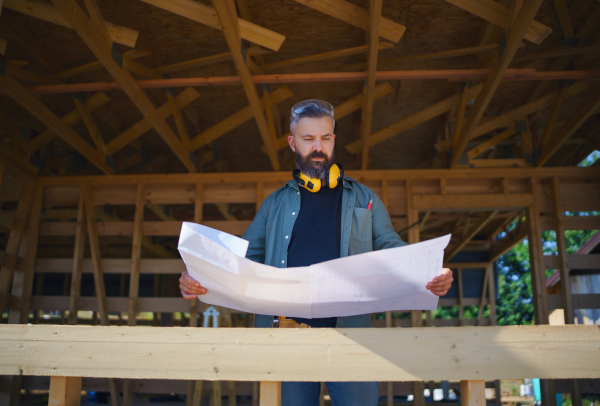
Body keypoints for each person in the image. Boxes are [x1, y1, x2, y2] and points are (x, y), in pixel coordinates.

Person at [179, 99, 453, 406]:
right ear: (293, 143)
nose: (318, 147)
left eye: (325, 138)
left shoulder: (365, 198)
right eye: (309, 139)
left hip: (352, 337)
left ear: (334, 139)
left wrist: (429, 271)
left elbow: (392, 247)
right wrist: (199, 274)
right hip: (285, 337)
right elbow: (241, 257)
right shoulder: (275, 203)